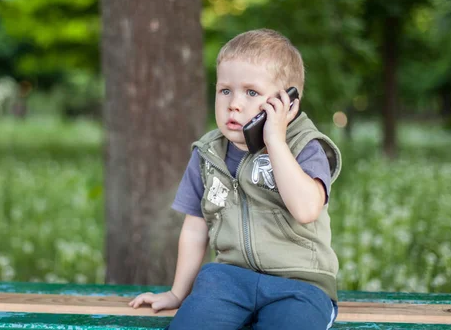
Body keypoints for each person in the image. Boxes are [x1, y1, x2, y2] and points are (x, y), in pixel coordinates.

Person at [129, 29, 342, 330]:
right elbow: (195, 228)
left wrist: (275, 142)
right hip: (228, 280)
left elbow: (306, 210)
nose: (234, 104)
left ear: (288, 104)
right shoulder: (207, 154)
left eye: (251, 92)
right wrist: (178, 292)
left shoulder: (305, 147)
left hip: (300, 283)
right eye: (225, 90)